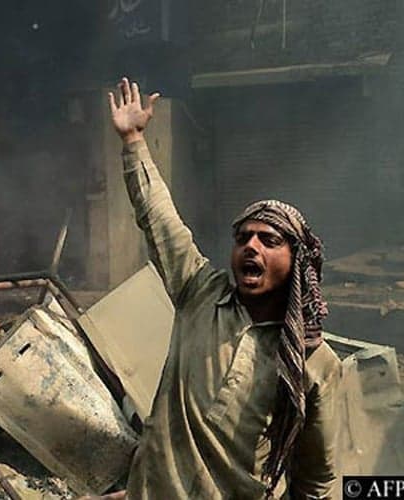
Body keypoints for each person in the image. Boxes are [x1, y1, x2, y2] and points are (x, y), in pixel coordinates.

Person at [107, 78, 341, 499]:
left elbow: (316, 479)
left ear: (297, 261)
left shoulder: (314, 362)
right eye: (242, 238)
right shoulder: (201, 295)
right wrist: (134, 141)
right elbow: (160, 221)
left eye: (268, 241)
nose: (250, 246)